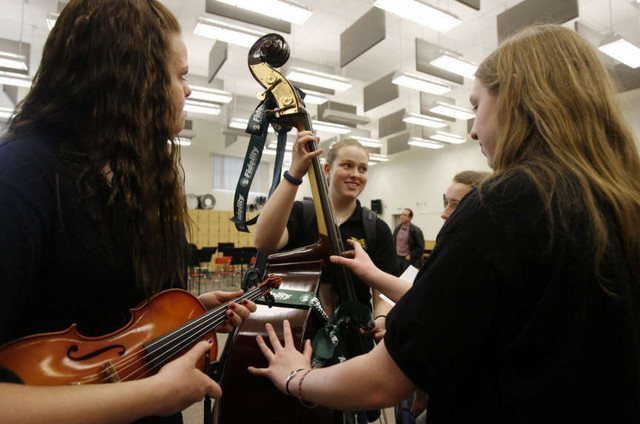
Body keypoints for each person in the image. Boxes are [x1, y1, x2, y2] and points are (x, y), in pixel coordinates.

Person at [247, 24, 640, 424]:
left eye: (475, 105)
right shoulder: (621, 199)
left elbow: (383, 380)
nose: (472, 129)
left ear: (516, 95)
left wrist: (295, 376)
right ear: (327, 170)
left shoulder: (502, 206)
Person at [0, 1, 256, 423]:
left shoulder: (135, 185)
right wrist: (153, 397)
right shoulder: (20, 176)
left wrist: (183, 315)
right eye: (180, 75)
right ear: (133, 79)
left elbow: (104, 315)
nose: (188, 90)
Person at [253, 135, 397, 342]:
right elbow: (263, 242)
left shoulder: (377, 228)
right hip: (297, 332)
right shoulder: (302, 214)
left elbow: (382, 288)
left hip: (354, 336)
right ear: (327, 170)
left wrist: (381, 317)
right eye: (347, 165)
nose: (355, 174)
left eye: (363, 168)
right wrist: (295, 173)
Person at [392, 208, 425, 275]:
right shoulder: (397, 229)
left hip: (408, 259)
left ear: (410, 218)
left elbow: (420, 247)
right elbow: (393, 242)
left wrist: (410, 255)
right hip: (397, 258)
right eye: (402, 214)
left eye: (404, 215)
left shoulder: (416, 230)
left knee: (407, 278)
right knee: (397, 277)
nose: (402, 216)